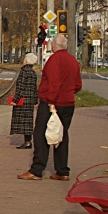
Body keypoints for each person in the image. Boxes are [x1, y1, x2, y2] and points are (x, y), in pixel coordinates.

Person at [19, 33, 82, 181]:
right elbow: (78, 85)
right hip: (68, 103)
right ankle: (62, 171)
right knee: (62, 135)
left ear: (53, 45)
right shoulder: (73, 60)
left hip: (52, 104)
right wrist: (68, 93)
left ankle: (36, 170)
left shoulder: (54, 60)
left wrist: (51, 101)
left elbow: (54, 82)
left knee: (40, 134)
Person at [9, 53, 38, 149]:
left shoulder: (23, 72)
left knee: (23, 122)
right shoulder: (33, 73)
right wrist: (35, 101)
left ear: (26, 61)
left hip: (22, 100)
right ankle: (28, 141)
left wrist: (15, 100)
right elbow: (34, 88)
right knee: (28, 122)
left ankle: (27, 142)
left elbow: (20, 88)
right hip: (30, 100)